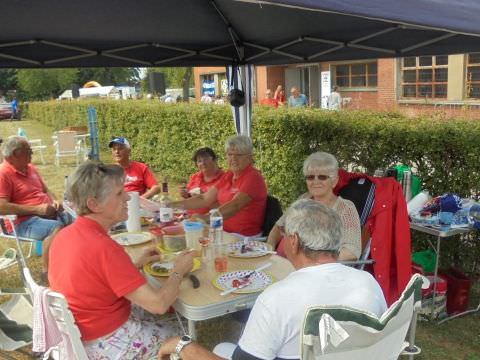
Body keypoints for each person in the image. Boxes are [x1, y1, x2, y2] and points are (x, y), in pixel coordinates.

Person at [158, 199, 387, 360]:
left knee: (221, 347)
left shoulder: (277, 298)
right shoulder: (368, 284)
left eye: (285, 234)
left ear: (294, 241)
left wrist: (183, 346)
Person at [48, 161, 196, 359]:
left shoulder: (65, 235)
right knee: (187, 334)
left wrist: (134, 265)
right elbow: (159, 305)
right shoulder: (103, 247)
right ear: (94, 204)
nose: (127, 197)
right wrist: (179, 269)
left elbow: (93, 277)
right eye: (119, 194)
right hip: (107, 344)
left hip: (82, 333)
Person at [267, 152, 361, 261]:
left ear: (334, 181)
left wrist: (313, 262)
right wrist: (270, 248)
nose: (315, 182)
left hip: (317, 269)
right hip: (282, 261)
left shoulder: (345, 208)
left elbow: (352, 251)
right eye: (310, 177)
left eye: (322, 177)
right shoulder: (303, 199)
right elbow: (279, 227)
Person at [0, 136, 71, 274]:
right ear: (15, 153)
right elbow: (1, 207)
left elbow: (46, 190)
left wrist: (55, 201)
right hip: (21, 223)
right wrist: (37, 210)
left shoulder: (30, 168)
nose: (32, 153)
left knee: (81, 222)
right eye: (29, 150)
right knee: (58, 228)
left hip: (47, 213)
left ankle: (73, 265)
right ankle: (48, 273)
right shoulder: (3, 174)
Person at [171, 135, 267, 237]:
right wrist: (171, 205)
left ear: (249, 157)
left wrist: (206, 218)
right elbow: (204, 198)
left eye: (238, 155)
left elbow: (235, 205)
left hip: (243, 238)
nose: (233, 159)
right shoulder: (230, 174)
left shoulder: (253, 177)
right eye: (230, 154)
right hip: (222, 231)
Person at [180, 147, 224, 215]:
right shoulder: (195, 177)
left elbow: (226, 207)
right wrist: (186, 195)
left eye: (206, 159)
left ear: (215, 160)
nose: (203, 163)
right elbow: (190, 197)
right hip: (190, 219)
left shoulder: (224, 178)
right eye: (199, 161)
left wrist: (205, 198)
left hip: (210, 221)